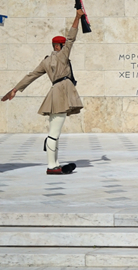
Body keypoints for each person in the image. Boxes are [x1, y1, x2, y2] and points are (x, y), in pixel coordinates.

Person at [2, 10, 85, 175]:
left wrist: (15, 89)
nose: (64, 48)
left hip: (54, 94)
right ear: (58, 46)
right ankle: (52, 166)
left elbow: (31, 75)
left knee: (54, 130)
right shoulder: (62, 56)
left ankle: (54, 163)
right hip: (61, 95)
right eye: (62, 46)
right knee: (54, 132)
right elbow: (71, 38)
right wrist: (77, 17)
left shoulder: (46, 61)